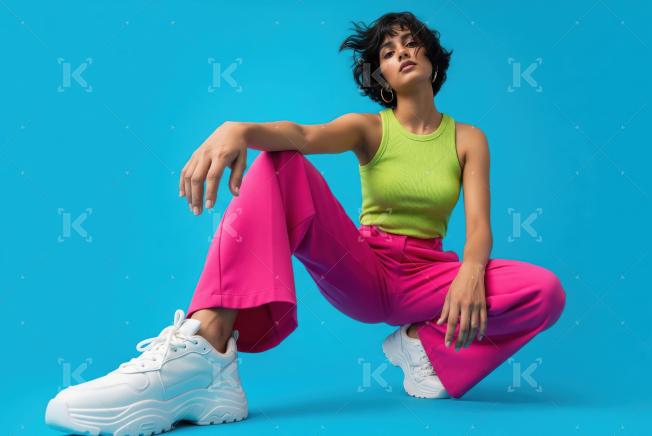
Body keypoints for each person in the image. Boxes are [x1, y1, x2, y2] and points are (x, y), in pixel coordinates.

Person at [45, 11, 566, 435]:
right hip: (366, 267)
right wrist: (240, 129)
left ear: (431, 57)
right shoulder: (368, 128)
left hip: (434, 276)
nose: (402, 53)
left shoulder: (468, 138)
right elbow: (303, 134)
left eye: (411, 44)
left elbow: (479, 228)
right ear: (380, 75)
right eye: (388, 51)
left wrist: (472, 271)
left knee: (545, 291)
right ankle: (207, 349)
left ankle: (424, 350)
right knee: (280, 162)